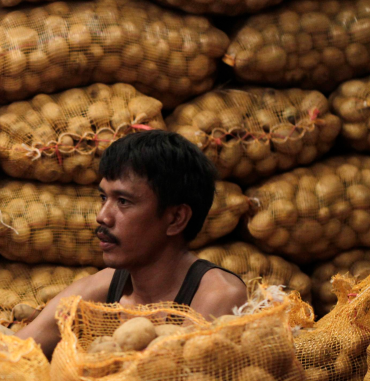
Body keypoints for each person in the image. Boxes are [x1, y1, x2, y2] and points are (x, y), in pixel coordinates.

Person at [17, 130, 248, 358]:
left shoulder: (219, 295)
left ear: (176, 219)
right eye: (104, 198)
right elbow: (16, 348)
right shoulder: (105, 286)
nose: (102, 216)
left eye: (124, 201)